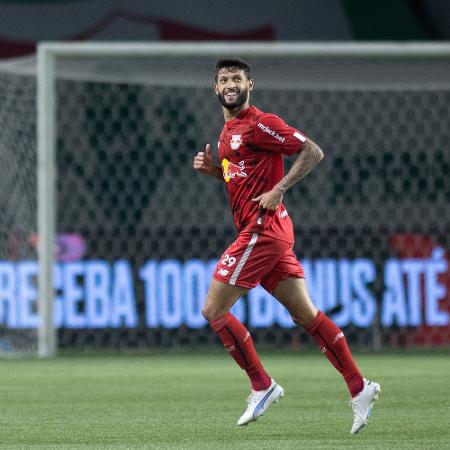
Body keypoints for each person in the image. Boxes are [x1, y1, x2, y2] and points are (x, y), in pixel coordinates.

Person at [193, 58, 380, 434]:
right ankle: (360, 387)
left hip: (263, 232)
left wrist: (280, 189)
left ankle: (262, 384)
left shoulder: (260, 123)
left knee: (213, 310)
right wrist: (217, 173)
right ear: (215, 88)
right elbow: (243, 177)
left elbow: (312, 151)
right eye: (224, 79)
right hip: (268, 231)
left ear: (251, 85)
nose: (230, 84)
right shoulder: (227, 132)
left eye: (237, 78)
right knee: (306, 315)